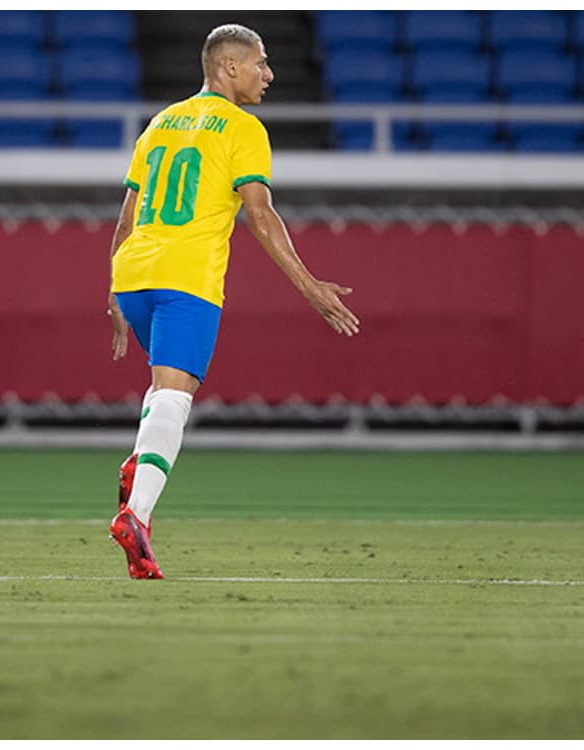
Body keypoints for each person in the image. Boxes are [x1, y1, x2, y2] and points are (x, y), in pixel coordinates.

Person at [106, 25, 360, 579]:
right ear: (229, 68)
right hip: (186, 278)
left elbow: (126, 218)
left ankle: (137, 464)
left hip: (135, 274)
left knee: (162, 389)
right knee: (175, 398)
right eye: (260, 64)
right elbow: (260, 215)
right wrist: (310, 286)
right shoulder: (243, 129)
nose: (268, 74)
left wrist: (114, 294)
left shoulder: (159, 122)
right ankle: (137, 516)